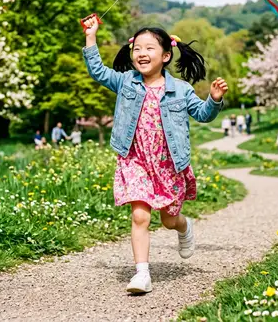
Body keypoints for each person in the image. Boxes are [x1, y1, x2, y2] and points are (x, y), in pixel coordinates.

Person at [82, 15, 228, 294]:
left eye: (149, 48)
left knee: (169, 220)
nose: (141, 53)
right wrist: (91, 36)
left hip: (168, 165)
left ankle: (184, 227)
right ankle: (142, 275)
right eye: (137, 48)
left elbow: (203, 114)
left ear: (166, 55)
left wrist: (214, 99)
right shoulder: (126, 82)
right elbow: (98, 71)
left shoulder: (181, 90)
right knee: (140, 217)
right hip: (135, 161)